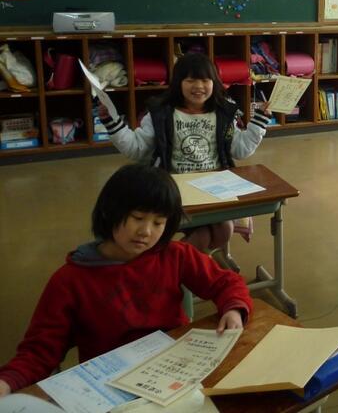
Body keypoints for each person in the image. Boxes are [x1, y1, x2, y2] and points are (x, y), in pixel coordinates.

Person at [0, 164, 251, 396]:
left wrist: (234, 308)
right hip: (110, 384)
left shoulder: (175, 255)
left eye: (158, 222)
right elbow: (39, 351)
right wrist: (7, 382)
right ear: (110, 212)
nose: (146, 231)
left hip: (174, 369)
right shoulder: (70, 280)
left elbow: (226, 282)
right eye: (138, 218)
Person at [100, 53, 271, 252]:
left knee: (224, 230)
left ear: (214, 83)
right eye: (190, 80)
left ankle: (180, 262)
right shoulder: (161, 113)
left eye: (205, 80)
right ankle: (175, 263)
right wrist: (112, 123)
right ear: (178, 83)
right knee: (207, 234)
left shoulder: (223, 113)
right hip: (173, 188)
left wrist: (260, 121)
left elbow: (240, 150)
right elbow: (136, 149)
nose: (198, 86)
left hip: (215, 188)